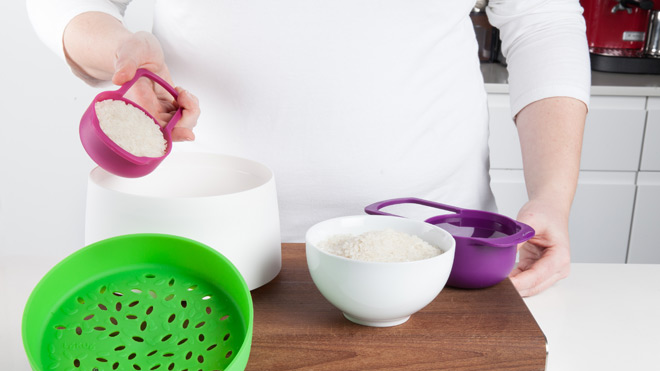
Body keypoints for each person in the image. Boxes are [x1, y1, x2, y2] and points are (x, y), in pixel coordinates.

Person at [27, 0, 590, 297]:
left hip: (435, 252)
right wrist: (124, 50)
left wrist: (552, 195)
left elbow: (542, 19)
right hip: (195, 241)